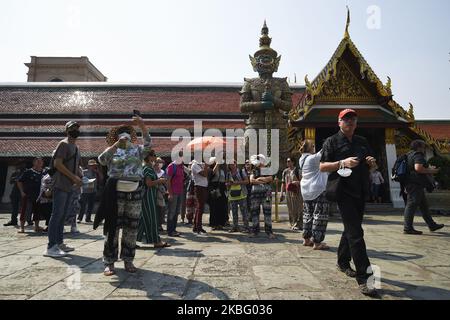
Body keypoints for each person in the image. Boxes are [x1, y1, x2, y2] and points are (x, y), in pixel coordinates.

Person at [319, 108, 379, 297]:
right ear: (339, 122)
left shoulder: (362, 141)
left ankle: (343, 262)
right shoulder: (332, 141)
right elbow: (322, 166)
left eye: (353, 119)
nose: (350, 122)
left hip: (360, 189)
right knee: (356, 233)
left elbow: (373, 163)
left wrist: (372, 163)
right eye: (346, 119)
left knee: (351, 229)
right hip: (343, 191)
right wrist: (342, 163)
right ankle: (365, 279)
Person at [94, 116, 151, 276]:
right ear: (116, 137)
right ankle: (109, 262)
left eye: (126, 133)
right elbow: (102, 161)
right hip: (115, 192)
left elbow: (148, 144)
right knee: (112, 227)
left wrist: (142, 125)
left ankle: (128, 259)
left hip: (134, 191)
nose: (124, 135)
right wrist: (114, 146)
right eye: (121, 133)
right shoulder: (112, 150)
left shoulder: (137, 149)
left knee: (131, 228)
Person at [44, 121, 82, 258]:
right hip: (60, 184)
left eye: (77, 128)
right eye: (73, 128)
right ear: (67, 130)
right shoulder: (63, 144)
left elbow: (75, 165)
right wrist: (73, 177)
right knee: (57, 214)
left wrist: (80, 176)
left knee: (63, 215)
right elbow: (58, 164)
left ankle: (59, 243)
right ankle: (51, 246)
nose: (75, 130)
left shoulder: (76, 147)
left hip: (70, 185)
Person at [403, 139, 444, 235]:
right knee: (411, 205)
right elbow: (418, 168)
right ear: (419, 147)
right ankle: (407, 228)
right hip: (415, 184)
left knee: (424, 206)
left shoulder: (409, 154)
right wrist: (433, 171)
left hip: (413, 183)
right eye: (424, 146)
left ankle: (432, 225)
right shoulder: (418, 155)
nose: (425, 148)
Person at [137, 150, 171, 249]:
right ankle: (156, 241)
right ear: (149, 157)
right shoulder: (147, 168)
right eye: (154, 155)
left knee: (143, 220)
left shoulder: (147, 168)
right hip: (148, 197)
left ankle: (132, 241)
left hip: (149, 196)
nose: (156, 157)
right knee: (152, 218)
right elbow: (148, 183)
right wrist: (159, 181)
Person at [299, 140, 330, 250]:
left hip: (306, 190)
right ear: (310, 148)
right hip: (317, 189)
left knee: (308, 214)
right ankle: (317, 242)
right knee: (319, 216)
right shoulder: (313, 158)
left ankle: (306, 239)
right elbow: (326, 150)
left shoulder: (302, 159)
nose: (314, 147)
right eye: (313, 145)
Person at [249, 154, 275, 239]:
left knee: (267, 212)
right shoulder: (253, 170)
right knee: (254, 212)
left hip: (266, 194)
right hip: (255, 194)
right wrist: (262, 180)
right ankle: (254, 231)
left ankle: (269, 232)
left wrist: (259, 179)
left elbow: (270, 179)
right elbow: (251, 180)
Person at [17, 157, 44, 233]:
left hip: (39, 195)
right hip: (28, 194)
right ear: (34, 162)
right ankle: (22, 227)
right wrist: (22, 192)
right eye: (38, 161)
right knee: (25, 211)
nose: (39, 163)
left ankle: (36, 227)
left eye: (41, 161)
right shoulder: (28, 172)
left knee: (37, 211)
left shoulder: (43, 172)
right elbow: (19, 181)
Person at [226, 159, 249, 233]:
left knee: (244, 212)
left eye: (233, 163)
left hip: (241, 194)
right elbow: (226, 184)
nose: (232, 165)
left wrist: (237, 182)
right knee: (234, 212)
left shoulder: (241, 171)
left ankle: (246, 227)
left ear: (236, 164)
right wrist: (228, 184)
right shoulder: (228, 173)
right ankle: (235, 227)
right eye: (230, 164)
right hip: (232, 195)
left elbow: (247, 181)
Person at [166, 151, 185, 237]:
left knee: (176, 211)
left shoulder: (181, 167)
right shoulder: (171, 166)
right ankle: (170, 230)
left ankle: (173, 229)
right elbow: (168, 181)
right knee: (172, 211)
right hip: (173, 192)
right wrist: (170, 193)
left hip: (180, 192)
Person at [280, 157, 303, 231]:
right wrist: (281, 193)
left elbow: (303, 181)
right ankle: (292, 223)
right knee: (291, 208)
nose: (288, 163)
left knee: (298, 208)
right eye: (287, 161)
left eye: (289, 161)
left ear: (293, 162)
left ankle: (299, 224)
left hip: (297, 192)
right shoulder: (285, 171)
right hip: (288, 193)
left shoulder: (298, 171)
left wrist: (297, 182)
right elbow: (283, 183)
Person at [208, 157, 228, 231]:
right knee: (214, 207)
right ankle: (214, 224)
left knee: (222, 207)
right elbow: (212, 173)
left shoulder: (222, 170)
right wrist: (217, 164)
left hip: (222, 188)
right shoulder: (210, 170)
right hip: (214, 189)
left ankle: (221, 223)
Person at [191, 159, 209, 235]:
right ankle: (198, 227)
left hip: (203, 187)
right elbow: (204, 174)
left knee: (200, 207)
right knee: (200, 207)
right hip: (199, 187)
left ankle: (196, 226)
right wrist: (206, 166)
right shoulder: (194, 165)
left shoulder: (200, 164)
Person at [154, 157, 168, 232]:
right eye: (158, 162)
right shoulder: (152, 171)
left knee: (162, 209)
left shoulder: (163, 171)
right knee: (156, 209)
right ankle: (156, 225)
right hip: (155, 192)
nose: (160, 163)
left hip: (162, 192)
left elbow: (166, 181)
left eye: (161, 162)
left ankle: (159, 224)